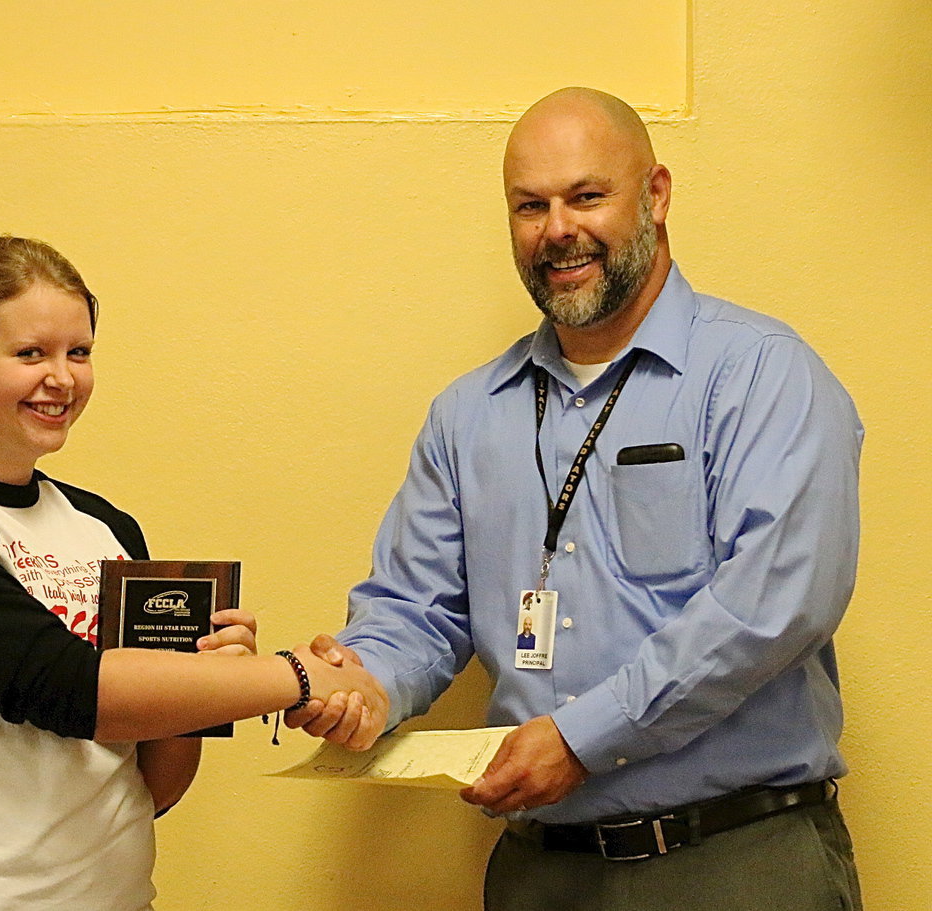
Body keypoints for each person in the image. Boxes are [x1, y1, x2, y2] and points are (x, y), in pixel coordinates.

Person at [287, 88, 863, 910]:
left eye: (587, 195)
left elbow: (774, 601)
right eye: (531, 205)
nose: (558, 229)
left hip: (737, 860)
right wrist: (357, 686)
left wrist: (583, 738)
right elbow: (416, 611)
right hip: (540, 870)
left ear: (656, 195)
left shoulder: (763, 374)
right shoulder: (467, 415)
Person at [0, 236, 387, 911]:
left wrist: (213, 675)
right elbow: (66, 689)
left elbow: (155, 785)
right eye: (30, 352)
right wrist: (292, 676)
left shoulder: (107, 528)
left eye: (79, 352)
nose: (61, 378)